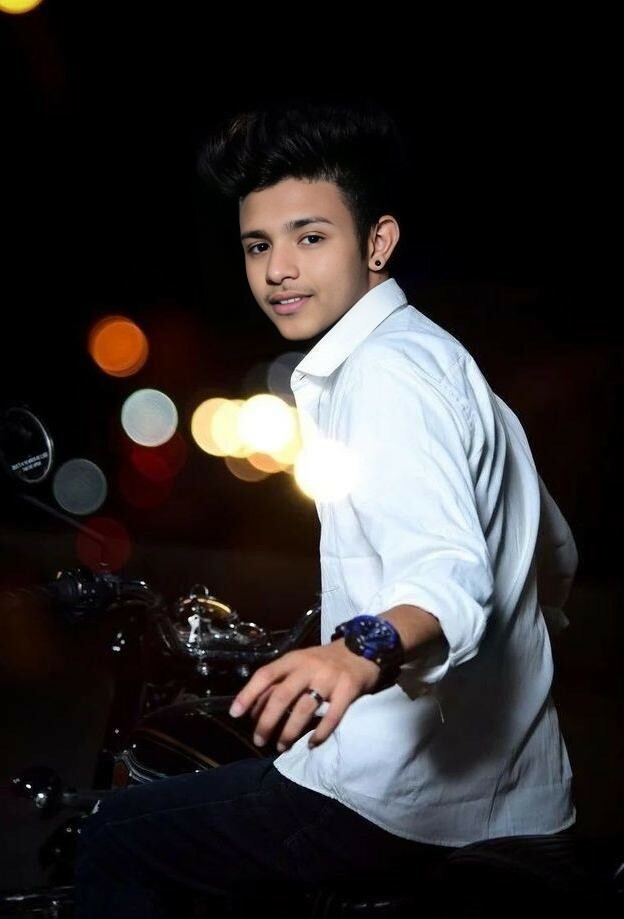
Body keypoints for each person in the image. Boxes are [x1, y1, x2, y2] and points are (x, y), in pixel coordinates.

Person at [74, 98, 578, 916]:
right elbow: (554, 551)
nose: (278, 269)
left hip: (406, 801)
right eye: (258, 245)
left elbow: (449, 572)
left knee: (117, 835)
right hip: (522, 791)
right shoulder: (434, 354)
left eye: (310, 237)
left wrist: (357, 650)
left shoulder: (383, 375)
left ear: (377, 242)